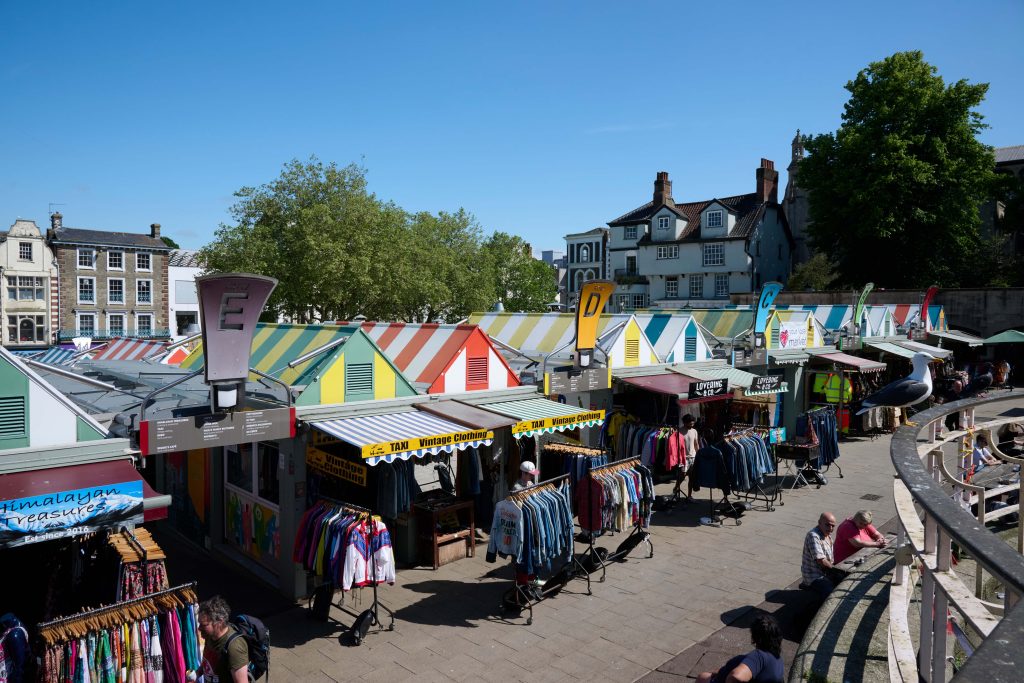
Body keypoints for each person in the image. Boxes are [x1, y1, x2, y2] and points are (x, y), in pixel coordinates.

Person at [696, 614, 784, 683]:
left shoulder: (759, 656)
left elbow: (735, 676)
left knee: (701, 678)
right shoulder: (777, 659)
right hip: (723, 673)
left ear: (756, 638)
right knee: (712, 673)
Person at [198, 596, 249, 683]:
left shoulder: (234, 647)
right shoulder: (210, 636)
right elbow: (208, 665)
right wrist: (197, 673)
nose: (199, 628)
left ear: (219, 622)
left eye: (204, 625)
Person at [801, 512, 839, 601]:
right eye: (827, 525)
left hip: (825, 573)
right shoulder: (813, 536)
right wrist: (835, 571)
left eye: (833, 526)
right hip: (813, 576)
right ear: (819, 523)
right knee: (831, 593)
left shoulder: (827, 534)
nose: (830, 528)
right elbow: (821, 561)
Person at [673, 414, 699, 498]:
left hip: (693, 457)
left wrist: (698, 454)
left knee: (692, 477)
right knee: (683, 475)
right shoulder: (679, 432)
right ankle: (676, 487)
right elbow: (675, 446)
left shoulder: (694, 431)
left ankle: (689, 495)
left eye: (693, 424)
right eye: (690, 424)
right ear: (685, 423)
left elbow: (696, 443)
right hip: (683, 457)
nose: (692, 425)